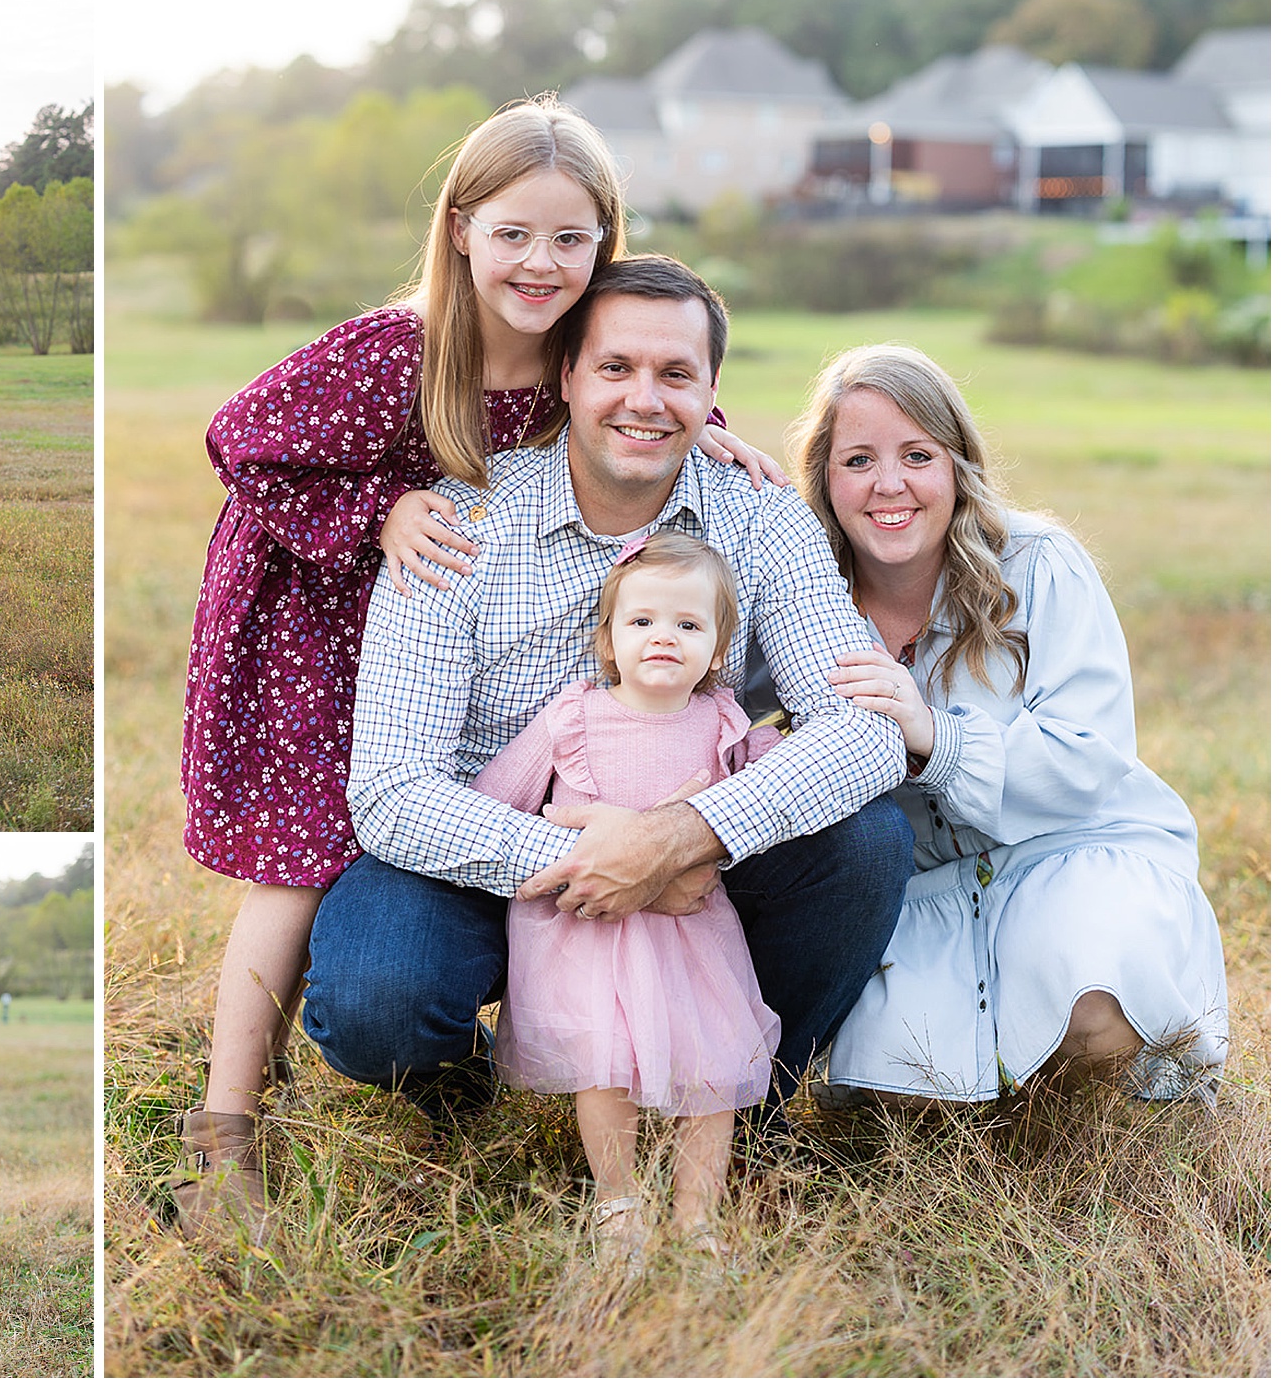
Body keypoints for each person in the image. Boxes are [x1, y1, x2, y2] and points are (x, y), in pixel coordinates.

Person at [174, 100, 779, 1242]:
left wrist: (708, 430)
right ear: (458, 229)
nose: (539, 264)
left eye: (569, 239)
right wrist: (379, 506)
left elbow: (634, 390)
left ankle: (475, 1039)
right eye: (512, 235)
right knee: (303, 867)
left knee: (399, 841)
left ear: (604, 241)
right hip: (314, 613)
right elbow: (236, 436)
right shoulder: (395, 348)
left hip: (437, 619)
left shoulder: (569, 345)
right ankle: (223, 1133)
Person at [303, 256, 912, 1142]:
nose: (644, 399)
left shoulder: (762, 516)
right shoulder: (459, 522)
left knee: (865, 842)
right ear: (567, 377)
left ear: (712, 391)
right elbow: (393, 792)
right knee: (373, 1001)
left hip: (693, 852)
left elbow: (865, 729)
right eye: (616, 368)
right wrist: (594, 861)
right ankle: (462, 1080)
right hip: (484, 840)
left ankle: (739, 1100)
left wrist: (678, 839)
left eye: (676, 374)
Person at [791, 344, 1230, 1104]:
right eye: (858, 459)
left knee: (1091, 1007)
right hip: (922, 889)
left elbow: (1090, 763)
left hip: (1065, 852)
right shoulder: (804, 596)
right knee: (902, 1098)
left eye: (917, 455)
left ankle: (1084, 1103)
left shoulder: (1036, 563)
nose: (888, 484)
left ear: (958, 465)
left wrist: (936, 735)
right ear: (825, 480)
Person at [473, 531, 782, 1266]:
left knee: (709, 1066)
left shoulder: (724, 723)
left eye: (687, 624)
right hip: (593, 931)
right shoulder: (573, 718)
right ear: (607, 642)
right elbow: (495, 804)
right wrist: (556, 847)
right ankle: (619, 1202)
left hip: (691, 928)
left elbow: (770, 799)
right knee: (605, 1064)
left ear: (717, 648)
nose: (663, 638)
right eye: (641, 622)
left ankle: (696, 1216)